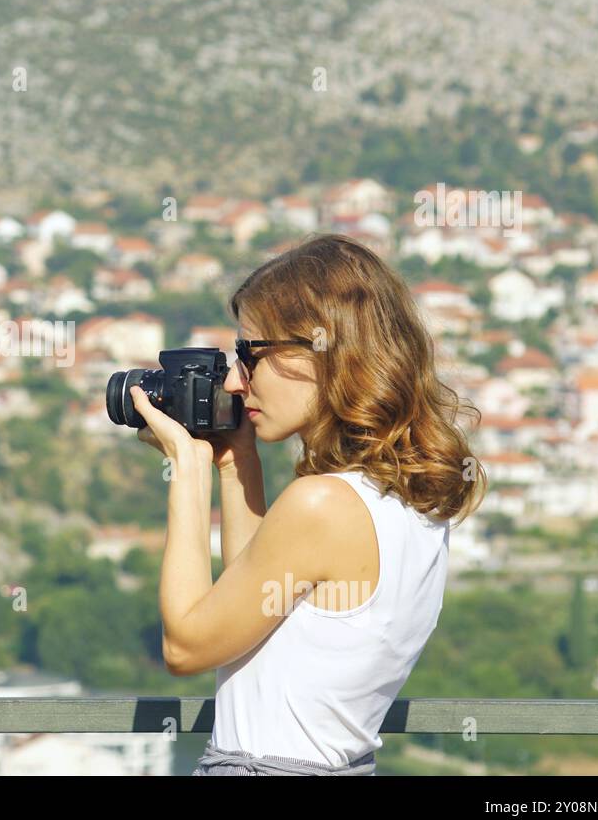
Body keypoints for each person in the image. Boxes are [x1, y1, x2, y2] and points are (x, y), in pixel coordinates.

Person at [130, 233, 486, 776]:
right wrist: (236, 463)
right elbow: (251, 607)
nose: (233, 379)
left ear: (322, 353)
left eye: (250, 356)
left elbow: (187, 647)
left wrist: (187, 469)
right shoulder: (409, 506)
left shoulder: (322, 503)